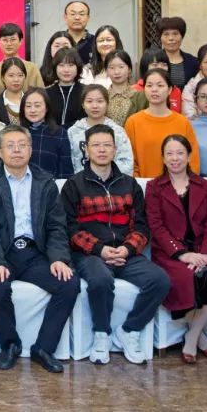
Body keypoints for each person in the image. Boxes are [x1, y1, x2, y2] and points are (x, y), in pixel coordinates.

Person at [60, 124, 170, 365]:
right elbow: (70, 229)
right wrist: (100, 249)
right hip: (90, 254)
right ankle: (102, 334)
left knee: (160, 280)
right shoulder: (74, 185)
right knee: (100, 280)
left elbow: (142, 226)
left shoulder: (130, 185)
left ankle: (130, 330)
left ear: (115, 149)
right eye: (96, 145)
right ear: (86, 150)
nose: (101, 150)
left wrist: (127, 249)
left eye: (107, 145)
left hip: (125, 252)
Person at [0, 125, 80, 373]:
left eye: (22, 145)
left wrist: (58, 258)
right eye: (10, 146)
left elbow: (56, 225)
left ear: (31, 150)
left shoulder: (45, 181)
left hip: (36, 253)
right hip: (3, 252)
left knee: (69, 284)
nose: (17, 150)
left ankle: (44, 348)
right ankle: (10, 344)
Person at [145, 135, 207, 363]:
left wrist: (206, 253)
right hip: (170, 254)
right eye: (169, 153)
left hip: (202, 250)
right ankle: (199, 338)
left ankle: (193, 335)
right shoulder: (154, 187)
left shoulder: (204, 185)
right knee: (186, 278)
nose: (175, 158)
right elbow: (156, 226)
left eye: (180, 153)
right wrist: (182, 254)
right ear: (163, 158)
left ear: (189, 156)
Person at [126, 69, 200, 178]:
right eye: (149, 85)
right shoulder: (133, 122)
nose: (154, 89)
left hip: (178, 185)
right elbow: (129, 160)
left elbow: (193, 160)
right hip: (143, 184)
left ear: (170, 90)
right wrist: (138, 183)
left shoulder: (183, 122)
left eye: (160, 85)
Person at [67, 85, 135, 175]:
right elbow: (69, 163)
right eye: (89, 101)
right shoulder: (73, 132)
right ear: (83, 105)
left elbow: (127, 164)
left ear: (107, 103)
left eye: (100, 101)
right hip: (80, 182)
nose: (94, 106)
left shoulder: (118, 131)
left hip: (113, 182)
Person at [19, 88, 73, 179]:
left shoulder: (59, 134)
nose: (32, 110)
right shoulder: (16, 132)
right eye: (28, 106)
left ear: (47, 108)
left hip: (50, 185)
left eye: (37, 106)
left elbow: (65, 171)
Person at [0, 23, 45, 92]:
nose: (9, 44)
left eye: (13, 39)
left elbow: (41, 94)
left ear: (21, 41)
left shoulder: (32, 68)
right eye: (5, 40)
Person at [45, 48, 85, 130]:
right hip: (51, 135)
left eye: (71, 65)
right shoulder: (46, 93)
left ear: (78, 67)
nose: (66, 70)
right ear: (55, 67)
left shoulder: (86, 91)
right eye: (61, 65)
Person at [104, 50, 147, 126]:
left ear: (129, 69)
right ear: (106, 71)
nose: (117, 72)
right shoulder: (103, 96)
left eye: (121, 67)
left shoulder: (140, 96)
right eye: (112, 68)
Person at [157, 17, 199, 89]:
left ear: (182, 36)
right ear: (160, 37)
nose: (171, 38)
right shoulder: (153, 60)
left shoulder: (193, 62)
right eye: (166, 34)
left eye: (175, 34)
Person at [134, 48, 182, 113]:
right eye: (155, 65)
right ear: (145, 67)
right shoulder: (134, 90)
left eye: (164, 65)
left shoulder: (175, 90)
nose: (160, 68)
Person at [0, 57, 31, 125]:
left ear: (25, 77)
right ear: (3, 78)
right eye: (11, 75)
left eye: (20, 75)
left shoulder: (31, 102)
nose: (16, 79)